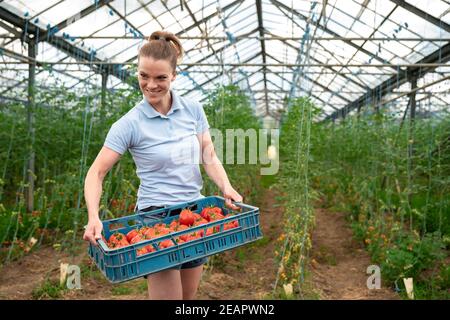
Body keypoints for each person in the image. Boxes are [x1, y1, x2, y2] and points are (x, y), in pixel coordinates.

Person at [82, 30, 242, 300]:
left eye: (160, 78)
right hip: (155, 219)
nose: (151, 85)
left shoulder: (193, 110)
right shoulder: (129, 124)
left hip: (195, 213)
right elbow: (96, 173)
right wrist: (93, 216)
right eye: (144, 76)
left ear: (174, 76)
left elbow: (208, 154)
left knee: (187, 300)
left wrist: (226, 186)